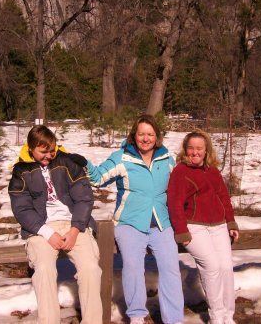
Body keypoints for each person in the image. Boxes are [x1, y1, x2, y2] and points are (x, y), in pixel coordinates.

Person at [70, 115, 184, 324]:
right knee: (133, 267)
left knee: (171, 269)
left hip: (162, 223)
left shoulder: (166, 158)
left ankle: (174, 319)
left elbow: (179, 187)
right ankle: (137, 315)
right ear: (134, 135)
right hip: (129, 223)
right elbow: (99, 178)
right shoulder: (122, 157)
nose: (146, 138)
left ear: (157, 136)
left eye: (150, 134)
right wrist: (84, 163)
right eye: (141, 134)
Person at [8, 125, 102, 324]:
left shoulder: (67, 162)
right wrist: (48, 233)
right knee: (44, 270)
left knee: (91, 269)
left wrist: (76, 229)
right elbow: (22, 209)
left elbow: (84, 197)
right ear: (31, 148)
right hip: (40, 229)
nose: (49, 156)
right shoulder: (21, 171)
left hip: (74, 224)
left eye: (52, 151)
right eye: (43, 152)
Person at [167, 129, 240, 324]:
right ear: (185, 150)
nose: (195, 152)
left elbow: (224, 198)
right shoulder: (180, 172)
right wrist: (182, 231)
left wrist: (231, 222)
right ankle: (216, 316)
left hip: (218, 226)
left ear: (206, 150)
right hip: (195, 227)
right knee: (212, 267)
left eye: (199, 148)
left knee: (225, 267)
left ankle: (228, 316)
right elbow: (174, 203)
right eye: (190, 148)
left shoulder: (213, 171)